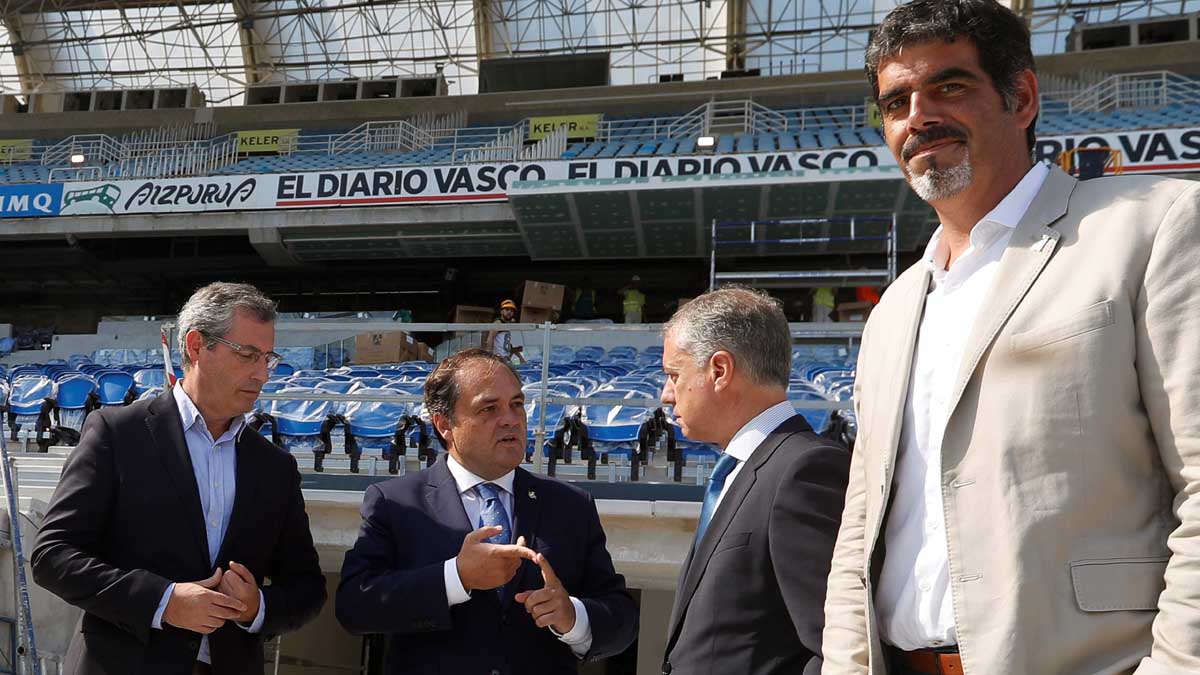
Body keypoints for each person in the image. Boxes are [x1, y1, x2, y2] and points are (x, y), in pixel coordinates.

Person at [822, 1, 1200, 674]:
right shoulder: (893, 309)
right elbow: (860, 528)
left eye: (949, 86)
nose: (919, 117)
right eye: (896, 102)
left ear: (1021, 96)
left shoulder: (1152, 228)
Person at [31, 282, 326, 675]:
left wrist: (257, 607)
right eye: (248, 355)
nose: (262, 374)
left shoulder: (275, 467)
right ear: (196, 346)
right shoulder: (117, 434)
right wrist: (163, 601)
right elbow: (53, 555)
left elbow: (307, 588)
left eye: (268, 359)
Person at [335, 349, 638, 674]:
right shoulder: (395, 502)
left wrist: (574, 617)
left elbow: (621, 616)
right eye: (489, 408)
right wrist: (455, 577)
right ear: (444, 424)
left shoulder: (571, 505)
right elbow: (356, 605)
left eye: (517, 404)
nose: (510, 418)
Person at [660, 288, 850, 675]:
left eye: (674, 375)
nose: (666, 395)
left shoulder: (804, 471)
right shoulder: (742, 470)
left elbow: (836, 647)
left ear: (719, 370)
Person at [487, 299, 526, 364]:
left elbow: (506, 347)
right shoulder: (498, 323)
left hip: (506, 359)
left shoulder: (507, 325)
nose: (509, 312)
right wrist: (490, 358)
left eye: (511, 310)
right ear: (501, 311)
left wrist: (519, 355)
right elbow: (490, 340)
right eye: (507, 309)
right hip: (499, 359)